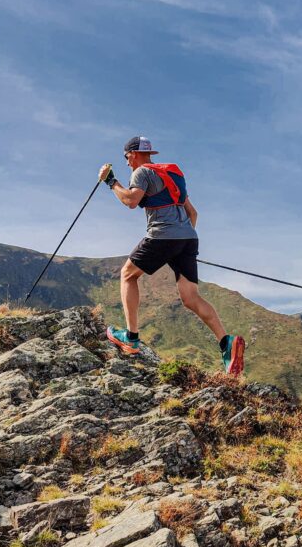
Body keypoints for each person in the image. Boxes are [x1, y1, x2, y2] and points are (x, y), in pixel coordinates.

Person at [98, 136, 245, 375]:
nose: (126, 163)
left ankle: (131, 338)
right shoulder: (173, 176)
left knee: (127, 275)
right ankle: (226, 343)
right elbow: (192, 213)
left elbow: (131, 201)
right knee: (190, 297)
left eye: (126, 158)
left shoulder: (141, 173)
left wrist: (110, 181)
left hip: (163, 235)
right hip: (187, 238)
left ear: (134, 154)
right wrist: (180, 247)